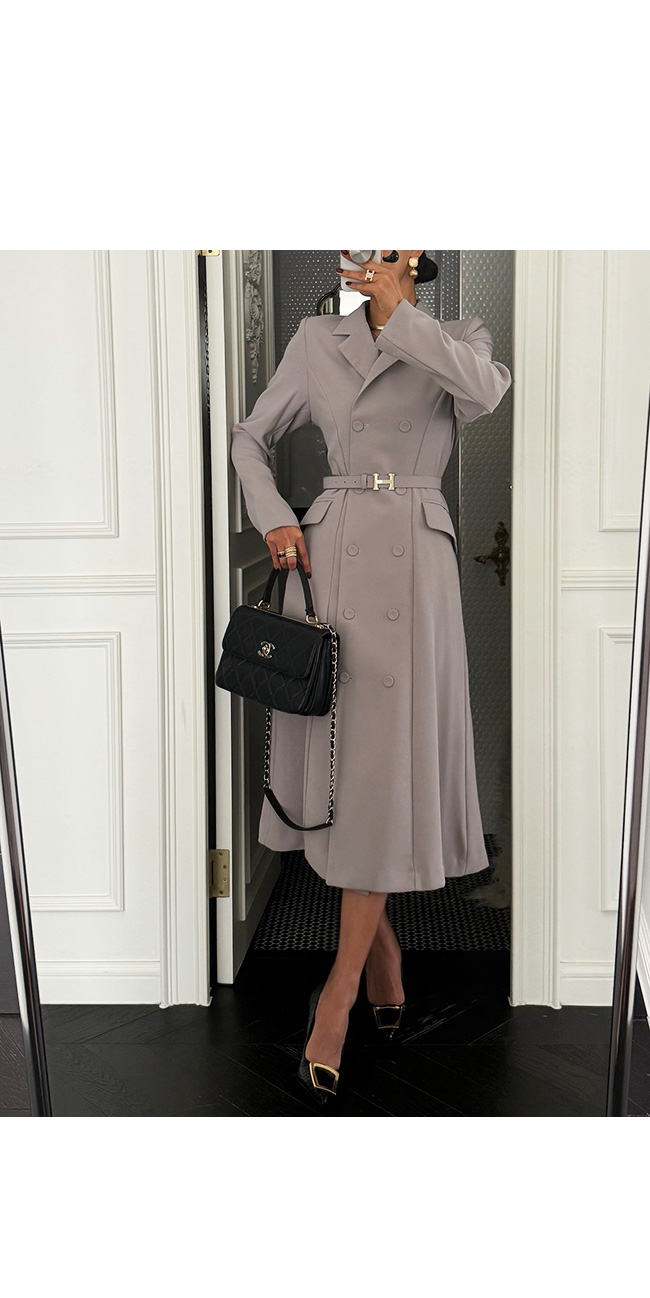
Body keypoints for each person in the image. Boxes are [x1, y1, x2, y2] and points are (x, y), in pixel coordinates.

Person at [230, 250, 512, 1101]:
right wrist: (275, 520)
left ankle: (340, 992)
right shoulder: (315, 338)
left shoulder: (459, 335)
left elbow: (486, 393)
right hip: (334, 554)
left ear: (415, 255)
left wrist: (399, 316)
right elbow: (249, 437)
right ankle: (381, 952)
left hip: (417, 564)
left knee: (386, 768)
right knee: (351, 769)